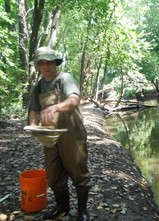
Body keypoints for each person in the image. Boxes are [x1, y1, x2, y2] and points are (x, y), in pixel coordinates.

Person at [28, 47, 91, 221]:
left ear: (55, 62)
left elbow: (74, 100)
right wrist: (33, 126)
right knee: (53, 174)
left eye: (49, 62)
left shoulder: (65, 79)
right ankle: (62, 206)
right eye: (41, 63)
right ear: (38, 66)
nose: (46, 66)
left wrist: (56, 106)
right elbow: (33, 110)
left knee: (78, 171)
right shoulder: (38, 86)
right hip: (49, 134)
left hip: (71, 132)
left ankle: (83, 210)